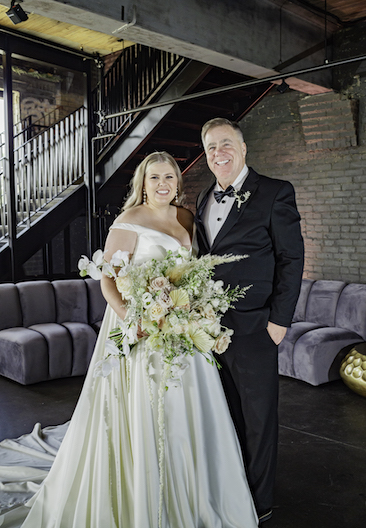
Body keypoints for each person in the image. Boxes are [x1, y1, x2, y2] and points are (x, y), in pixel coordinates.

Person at [0, 151, 258, 528]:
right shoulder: (127, 221)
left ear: (178, 183)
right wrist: (135, 320)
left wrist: (194, 308)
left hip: (181, 326)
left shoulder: (185, 216)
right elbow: (107, 282)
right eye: (154, 178)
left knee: (190, 408)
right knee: (146, 408)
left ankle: (195, 491)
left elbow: (190, 272)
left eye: (169, 177)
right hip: (140, 330)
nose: (163, 185)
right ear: (142, 183)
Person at [195, 118, 304, 524]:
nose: (218, 153)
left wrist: (279, 322)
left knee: (259, 418)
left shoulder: (276, 192)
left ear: (243, 149)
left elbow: (291, 259)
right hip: (210, 330)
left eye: (225, 144)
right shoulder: (204, 196)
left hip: (258, 327)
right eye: (210, 148)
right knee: (227, 414)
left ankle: (259, 503)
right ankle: (233, 487)